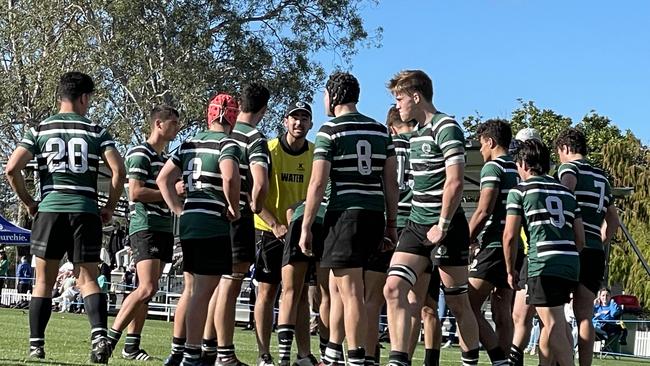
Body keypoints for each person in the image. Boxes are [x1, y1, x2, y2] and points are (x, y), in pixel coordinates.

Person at [5, 71, 126, 363]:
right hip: (84, 210)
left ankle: (36, 345)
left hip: (49, 209)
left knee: (43, 282)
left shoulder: (39, 130)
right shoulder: (96, 131)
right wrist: (109, 206)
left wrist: (30, 202)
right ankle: (99, 336)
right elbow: (119, 171)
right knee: (88, 279)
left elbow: (11, 169)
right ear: (84, 98)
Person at [300, 71, 398, 366]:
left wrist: (306, 225)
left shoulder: (330, 131)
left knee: (350, 291)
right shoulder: (381, 131)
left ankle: (355, 357)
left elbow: (317, 183)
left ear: (333, 96)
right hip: (374, 215)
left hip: (345, 214)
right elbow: (390, 182)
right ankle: (337, 354)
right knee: (343, 288)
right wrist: (390, 223)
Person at [384, 70, 480, 366]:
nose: (397, 105)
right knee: (393, 288)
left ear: (416, 96)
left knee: (457, 301)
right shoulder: (414, 134)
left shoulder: (446, 126)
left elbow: (455, 182)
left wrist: (443, 224)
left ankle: (470, 361)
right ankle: (399, 360)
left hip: (446, 227)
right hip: (416, 224)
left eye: (399, 98)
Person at [158, 93, 243, 366]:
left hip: (191, 220)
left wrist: (177, 208)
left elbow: (163, 179)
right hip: (211, 220)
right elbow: (229, 176)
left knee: (192, 288)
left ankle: (179, 350)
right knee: (203, 291)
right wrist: (234, 207)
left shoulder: (189, 143)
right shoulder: (228, 144)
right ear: (232, 117)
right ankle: (192, 353)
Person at [106, 105, 181, 361]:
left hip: (162, 227)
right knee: (147, 287)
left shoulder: (165, 159)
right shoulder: (140, 153)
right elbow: (135, 193)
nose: (177, 128)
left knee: (148, 289)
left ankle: (131, 345)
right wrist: (171, 193)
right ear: (158, 124)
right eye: (173, 123)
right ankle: (109, 340)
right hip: (145, 225)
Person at [503, 139, 584, 366]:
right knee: (555, 318)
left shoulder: (520, 191)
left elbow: (509, 236)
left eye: (518, 164)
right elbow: (580, 238)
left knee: (553, 324)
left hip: (543, 262)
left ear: (525, 164)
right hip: (569, 262)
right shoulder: (567, 194)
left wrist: (511, 270)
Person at [249, 100, 316, 366]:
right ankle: (264, 353)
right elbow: (253, 195)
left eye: (304, 118)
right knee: (267, 292)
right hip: (269, 230)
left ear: (311, 123)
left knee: (299, 294)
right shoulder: (268, 150)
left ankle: (303, 354)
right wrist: (275, 224)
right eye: (294, 117)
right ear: (285, 121)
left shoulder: (316, 153)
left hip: (300, 234)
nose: (299, 122)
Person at [213, 84, 270, 366]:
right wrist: (256, 206)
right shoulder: (254, 138)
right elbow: (259, 183)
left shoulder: (222, 133)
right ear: (264, 110)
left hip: (210, 213)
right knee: (230, 283)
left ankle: (206, 347)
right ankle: (224, 353)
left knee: (210, 283)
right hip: (237, 215)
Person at [555, 127, 620, 366]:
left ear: (565, 148)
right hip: (594, 250)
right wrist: (601, 239)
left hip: (571, 247)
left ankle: (560, 359)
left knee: (553, 310)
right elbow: (613, 218)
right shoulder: (602, 176)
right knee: (585, 315)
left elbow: (565, 195)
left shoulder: (568, 169)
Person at [467, 119, 520, 365]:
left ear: (490, 141)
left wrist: (464, 239)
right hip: (515, 246)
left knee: (466, 304)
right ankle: (505, 360)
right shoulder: (519, 168)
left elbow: (483, 210)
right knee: (503, 310)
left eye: (481, 144)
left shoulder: (493, 168)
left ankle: (498, 359)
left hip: (494, 245)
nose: (480, 150)